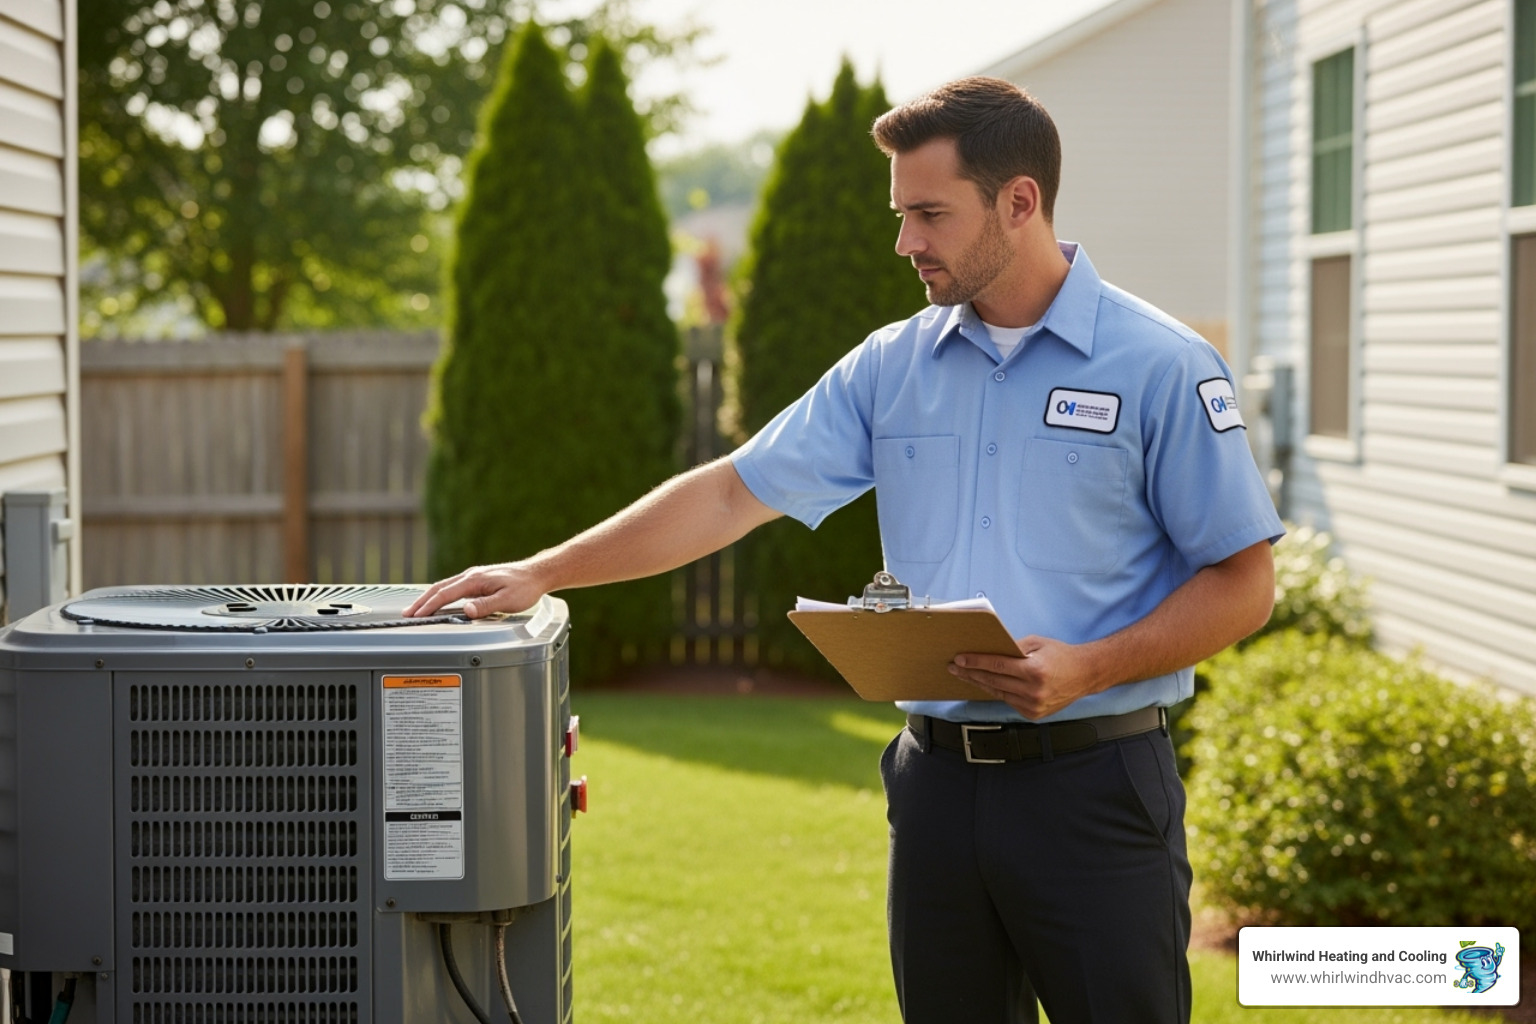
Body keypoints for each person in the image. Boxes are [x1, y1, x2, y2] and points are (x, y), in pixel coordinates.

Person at [407, 76, 1285, 1024]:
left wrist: (1091, 667)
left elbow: (1245, 582)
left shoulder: (1161, 365)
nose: (905, 241)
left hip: (1096, 788)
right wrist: (544, 571)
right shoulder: (890, 366)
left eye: (929, 214)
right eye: (902, 213)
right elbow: (729, 492)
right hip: (936, 790)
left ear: (1019, 202)